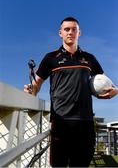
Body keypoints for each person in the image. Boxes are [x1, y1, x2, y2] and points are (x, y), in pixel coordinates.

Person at [24, 17, 118, 167]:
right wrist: (30, 90)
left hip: (85, 122)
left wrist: (115, 91)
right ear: (60, 33)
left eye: (74, 29)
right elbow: (37, 85)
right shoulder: (50, 58)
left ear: (79, 33)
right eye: (67, 29)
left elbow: (104, 82)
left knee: (80, 165)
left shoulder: (89, 58)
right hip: (60, 122)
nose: (70, 32)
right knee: (59, 165)